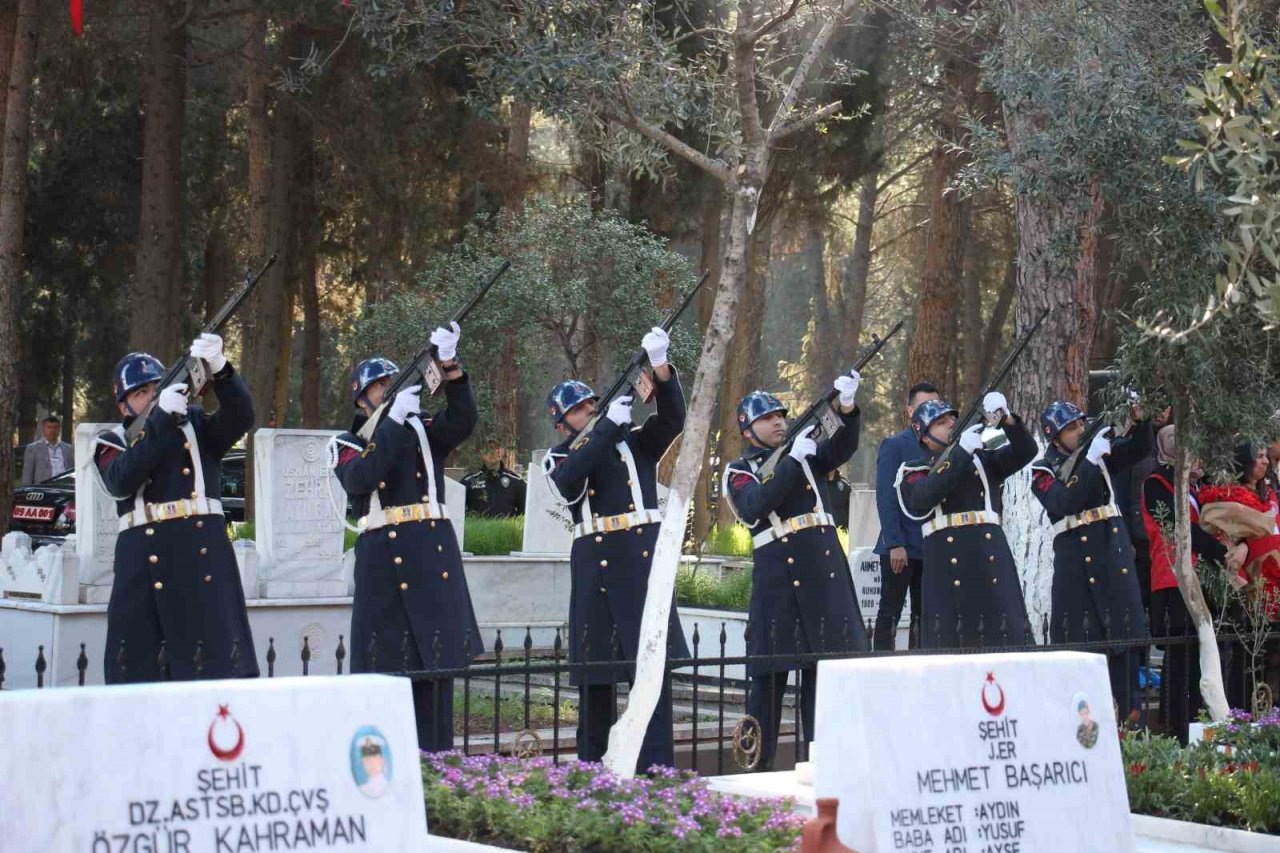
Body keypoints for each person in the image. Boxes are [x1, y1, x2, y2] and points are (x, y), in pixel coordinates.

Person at [331, 323, 483, 753]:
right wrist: (394, 421)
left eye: (391, 384)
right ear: (362, 399)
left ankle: (438, 764)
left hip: (432, 558)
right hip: (386, 563)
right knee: (386, 674)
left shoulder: (424, 429)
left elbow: (464, 420)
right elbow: (361, 477)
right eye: (380, 386)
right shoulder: (347, 442)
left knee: (435, 675)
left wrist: (451, 369)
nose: (388, 390)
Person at [542, 327, 687, 773]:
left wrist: (661, 369)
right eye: (579, 409)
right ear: (562, 423)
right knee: (597, 682)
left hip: (640, 565)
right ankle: (593, 773)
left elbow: (672, 420)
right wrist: (605, 427)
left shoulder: (634, 442)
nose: (590, 410)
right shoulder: (560, 456)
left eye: (592, 404)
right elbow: (571, 478)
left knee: (651, 676)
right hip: (597, 571)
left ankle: (656, 773)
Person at [723, 370, 867, 771]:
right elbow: (754, 505)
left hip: (823, 577)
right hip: (780, 584)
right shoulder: (739, 470)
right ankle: (756, 772)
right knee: (767, 687)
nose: (778, 422)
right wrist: (791, 461)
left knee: (825, 682)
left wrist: (847, 408)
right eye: (767, 418)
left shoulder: (808, 455)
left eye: (780, 416)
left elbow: (842, 446)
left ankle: (829, 768)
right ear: (747, 429)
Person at [93, 337, 258, 683]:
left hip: (201, 556)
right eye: (141, 393)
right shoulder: (112, 442)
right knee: (141, 670)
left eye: (156, 388)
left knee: (216, 665)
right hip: (145, 562)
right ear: (124, 406)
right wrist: (160, 420)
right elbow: (121, 480)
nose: (152, 396)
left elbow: (242, 417)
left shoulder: (196, 425)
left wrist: (222, 370)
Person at [1029, 400, 1153, 722]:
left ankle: (1130, 731)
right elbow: (1064, 502)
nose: (1080, 431)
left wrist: (1140, 419)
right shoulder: (1042, 471)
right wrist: (1089, 461)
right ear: (1055, 436)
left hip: (1112, 560)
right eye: (1071, 428)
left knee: (1124, 658)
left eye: (1081, 424)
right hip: (1077, 571)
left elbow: (1139, 449)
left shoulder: (1099, 455)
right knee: (1083, 657)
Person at [895, 393, 1036, 648]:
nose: (951, 424)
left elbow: (1026, 451)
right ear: (924, 435)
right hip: (948, 566)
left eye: (952, 419)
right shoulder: (914, 470)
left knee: (1005, 637)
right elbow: (924, 496)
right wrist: (960, 453)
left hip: (990, 560)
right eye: (941, 422)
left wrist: (1007, 419)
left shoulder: (982, 460)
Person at [1142, 425, 1245, 744]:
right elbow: (1180, 527)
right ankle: (1177, 730)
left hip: (1202, 578)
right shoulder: (1156, 483)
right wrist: (1221, 551)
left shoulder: (1195, 486)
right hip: (1173, 579)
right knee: (1180, 658)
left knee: (1203, 657)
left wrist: (1237, 544)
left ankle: (1200, 724)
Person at [872, 382, 941, 649]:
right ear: (910, 411)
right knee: (890, 612)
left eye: (936, 406)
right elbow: (886, 497)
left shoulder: (941, 446)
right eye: (924, 406)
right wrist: (894, 543)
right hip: (901, 544)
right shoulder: (895, 445)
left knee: (924, 615)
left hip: (931, 545)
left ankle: (919, 665)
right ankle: (881, 665)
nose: (931, 412)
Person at [462, 439, 527, 517]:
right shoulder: (469, 481)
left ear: (502, 452)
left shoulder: (516, 481)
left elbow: (526, 513)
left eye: (497, 448)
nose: (493, 452)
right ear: (481, 452)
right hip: (477, 524)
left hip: (507, 525)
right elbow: (457, 511)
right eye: (489, 448)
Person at [22, 416, 74, 485]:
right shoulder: (33, 448)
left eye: (55, 427)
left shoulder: (68, 448)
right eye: (49, 427)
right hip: (43, 487)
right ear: (43, 430)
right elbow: (28, 473)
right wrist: (27, 489)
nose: (52, 430)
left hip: (63, 486)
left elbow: (72, 470)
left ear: (59, 429)